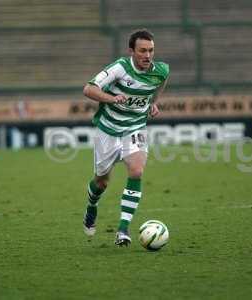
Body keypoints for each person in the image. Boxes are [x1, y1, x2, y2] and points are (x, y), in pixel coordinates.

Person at [82, 29, 169, 246]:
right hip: (108, 131)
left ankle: (123, 230)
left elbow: (159, 85)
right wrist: (111, 99)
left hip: (135, 128)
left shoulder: (161, 70)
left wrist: (153, 102)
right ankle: (91, 206)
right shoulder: (119, 68)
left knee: (137, 171)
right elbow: (89, 89)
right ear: (131, 51)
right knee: (101, 181)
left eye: (151, 50)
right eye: (142, 51)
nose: (147, 55)